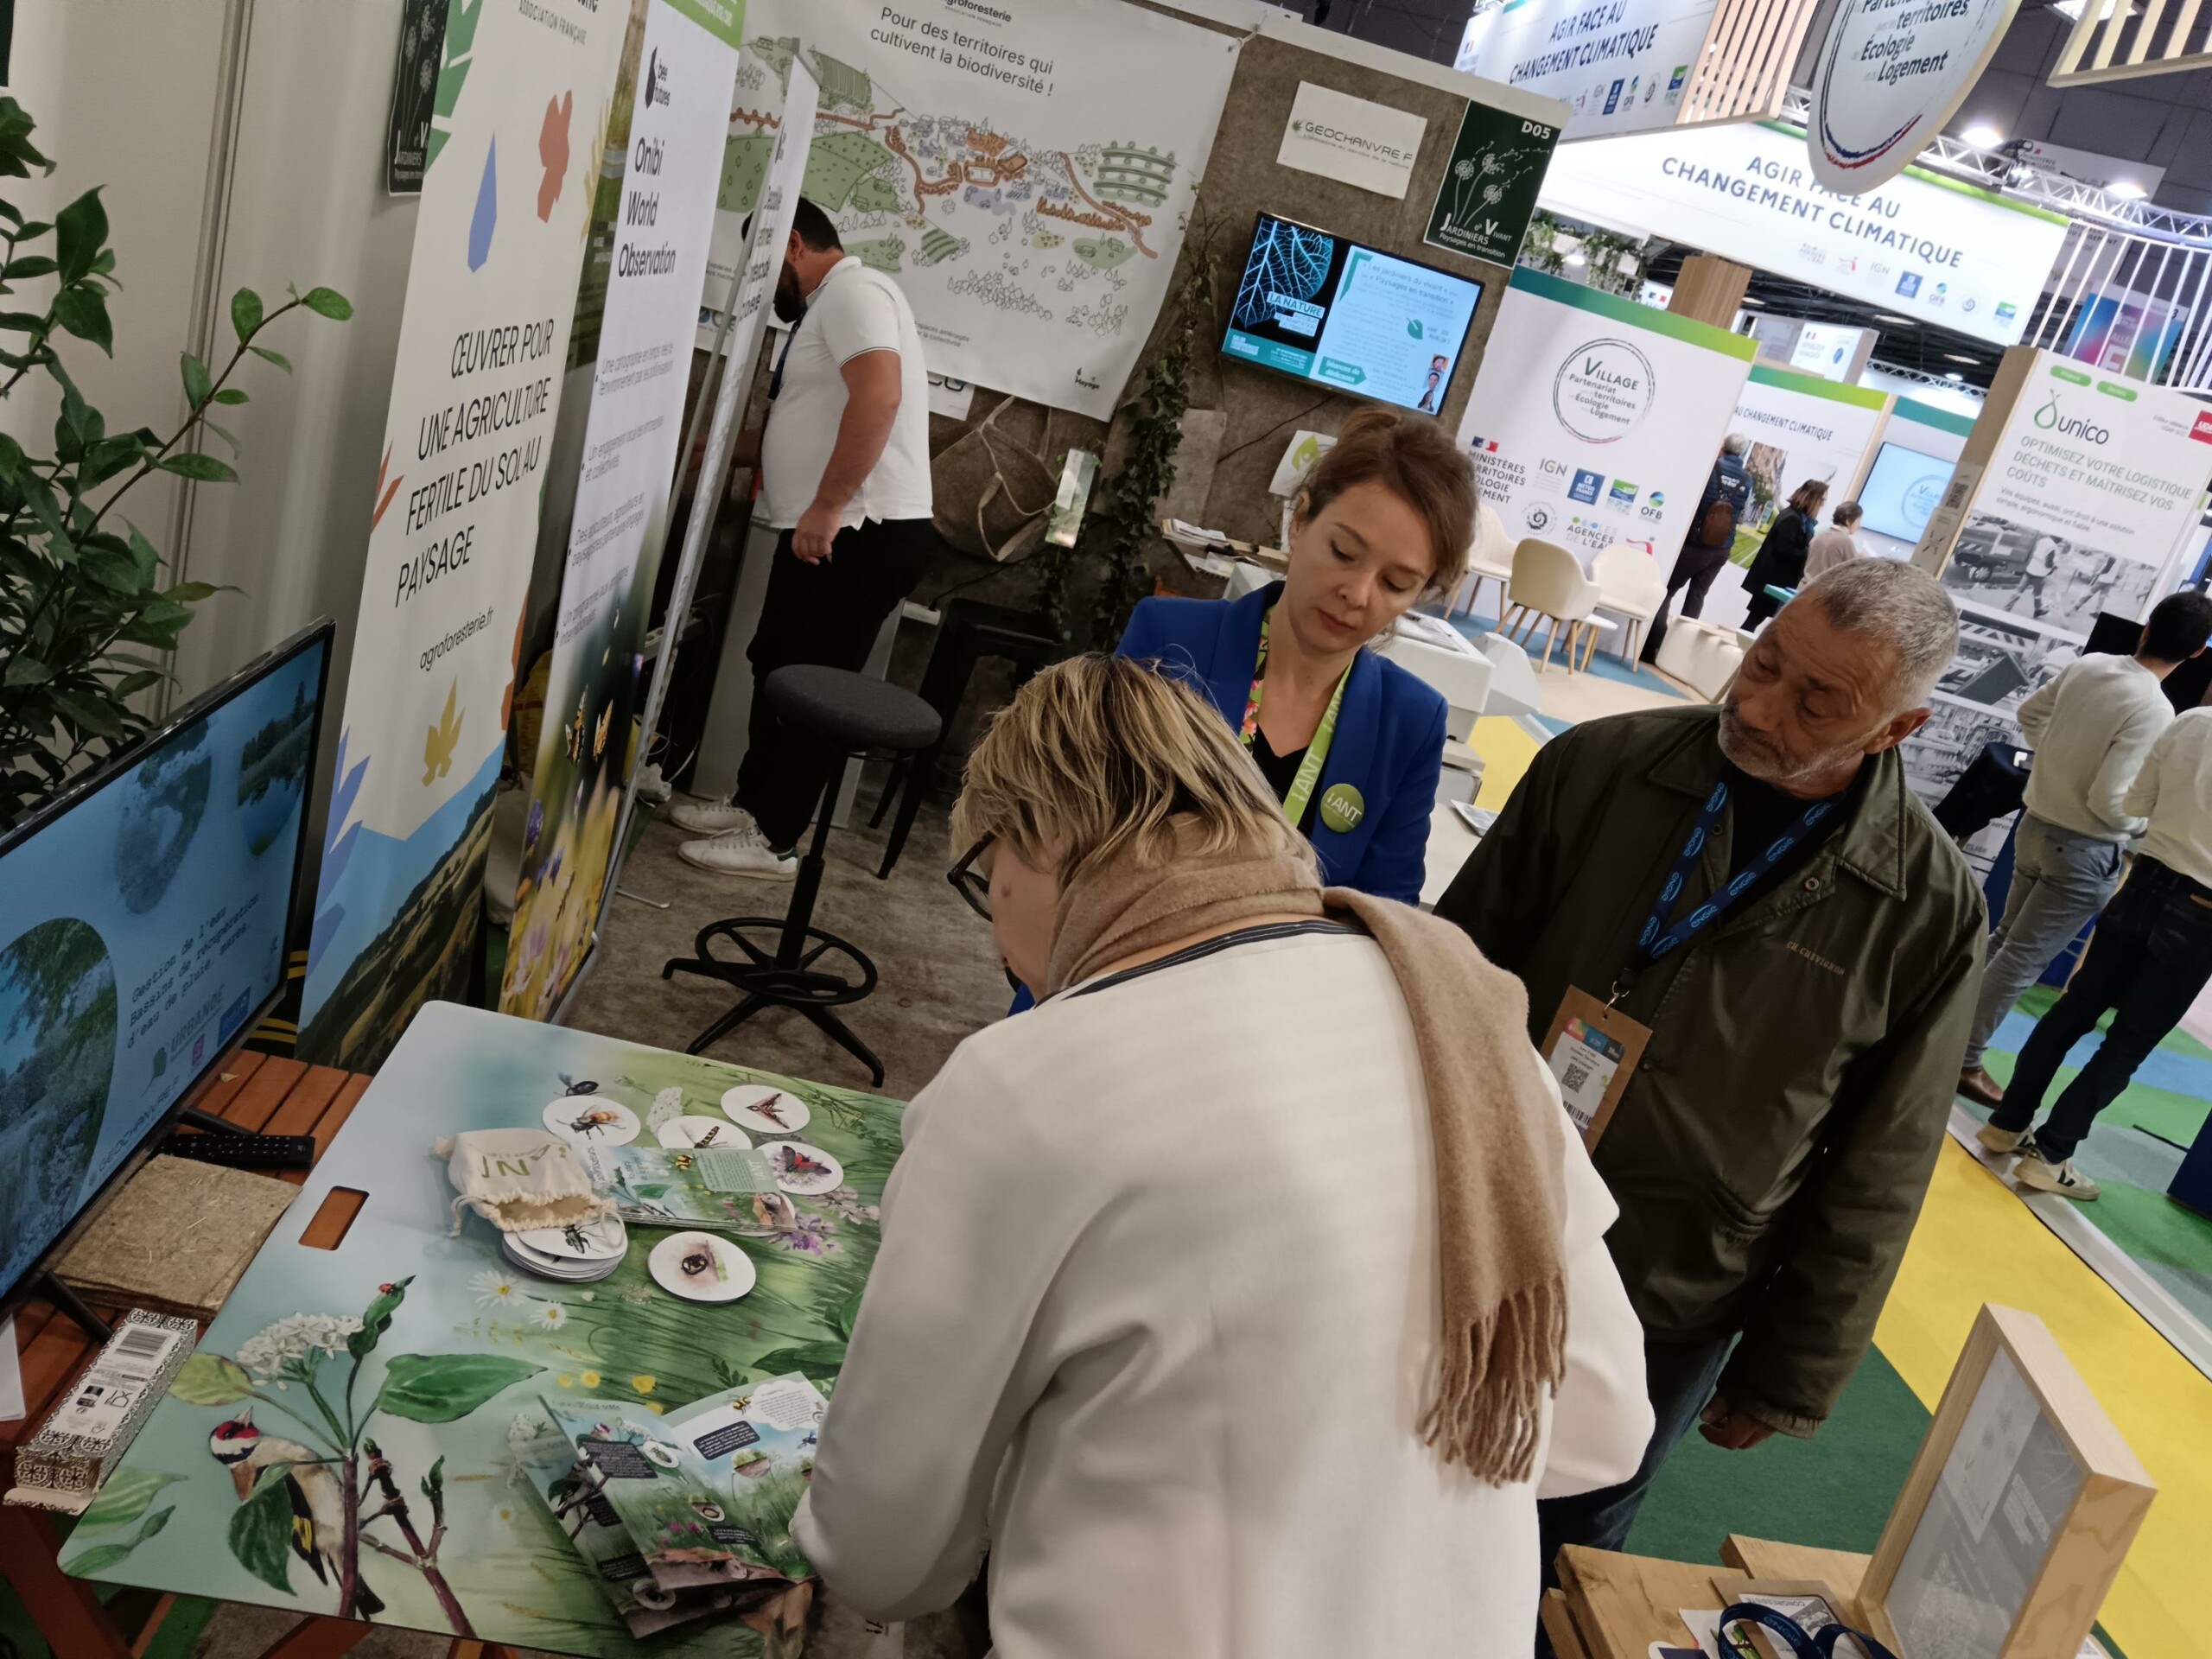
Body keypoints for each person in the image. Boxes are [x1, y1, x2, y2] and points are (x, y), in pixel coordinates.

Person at [792, 655, 1652, 1656]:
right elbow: (1600, 1421)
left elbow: (878, 1556)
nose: (993, 924)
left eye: (986, 873)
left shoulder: (1023, 1084)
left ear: (1040, 838)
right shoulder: (1463, 1017)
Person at [1435, 558, 1985, 1570]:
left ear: (1895, 731)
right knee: (1411, 1469)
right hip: (1483, 1212)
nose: (1759, 706)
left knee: (1570, 1543)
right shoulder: (1599, 768)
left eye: (1816, 701)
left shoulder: (1926, 910)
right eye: (1764, 663)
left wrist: (1790, 1372)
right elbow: (1451, 969)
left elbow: (1882, 1160)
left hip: (1676, 1283)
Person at [671, 197, 933, 878]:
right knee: (778, 667)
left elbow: (878, 398)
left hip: (859, 529)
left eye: (765, 270)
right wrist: (723, 451)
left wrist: (828, 506)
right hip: (831, 525)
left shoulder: (855, 294)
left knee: (812, 685)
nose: (764, 291)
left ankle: (778, 840)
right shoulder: (829, 307)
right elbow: (821, 419)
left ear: (792, 245)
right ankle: (757, 807)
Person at [1116, 406, 1471, 904]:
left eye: (1395, 583)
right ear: (1300, 521)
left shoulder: (1410, 721)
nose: (1358, 593)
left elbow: (1387, 909)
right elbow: (1079, 824)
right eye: (1344, 553)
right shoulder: (1169, 640)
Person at [1959, 593, 2212, 1110]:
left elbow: (2031, 713)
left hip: (2035, 824)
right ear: (2199, 653)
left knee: (2005, 941)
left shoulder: (2093, 665)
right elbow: (2109, 802)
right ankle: (1960, 1057)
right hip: (2084, 849)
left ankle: (1938, 1033)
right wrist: (2146, 825)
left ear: (2146, 628)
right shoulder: (2154, 708)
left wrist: (2054, 759)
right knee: (2021, 958)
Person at [1977, 700, 2212, 1199]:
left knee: (2075, 1007)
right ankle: (2053, 1153)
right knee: (2128, 1041)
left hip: (2146, 878)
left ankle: (2007, 1123)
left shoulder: (2194, 721)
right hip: (2203, 911)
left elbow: (2137, 802)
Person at [1640, 434, 1753, 665]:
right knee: (1697, 595)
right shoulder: (1748, 480)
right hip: (1722, 548)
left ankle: (1652, 646)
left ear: (1723, 447)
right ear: (1741, 453)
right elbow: (1741, 513)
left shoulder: (1712, 468)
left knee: (1668, 590)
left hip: (1696, 543)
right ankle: (1676, 655)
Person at [1740, 480, 1829, 628]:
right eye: (1821, 501)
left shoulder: (1799, 519)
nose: (1822, 506)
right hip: (1774, 580)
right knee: (1755, 619)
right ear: (1813, 499)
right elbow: (1783, 549)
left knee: (1757, 619)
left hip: (1776, 580)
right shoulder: (1792, 519)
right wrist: (1808, 552)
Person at [1803, 500, 1866, 582]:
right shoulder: (1846, 541)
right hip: (1822, 591)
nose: (1860, 526)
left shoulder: (1820, 534)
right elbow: (1854, 572)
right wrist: (1863, 560)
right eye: (1858, 521)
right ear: (1848, 521)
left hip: (1804, 586)